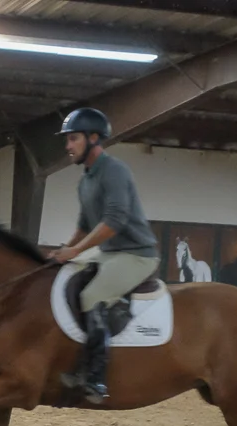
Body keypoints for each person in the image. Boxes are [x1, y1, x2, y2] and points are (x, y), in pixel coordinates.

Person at [48, 106, 159, 404]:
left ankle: (96, 377)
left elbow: (115, 221)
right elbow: (85, 226)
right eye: (67, 140)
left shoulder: (115, 170)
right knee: (65, 275)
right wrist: (65, 250)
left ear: (93, 138)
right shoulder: (85, 180)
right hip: (110, 254)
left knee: (92, 297)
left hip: (137, 254)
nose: (68, 146)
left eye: (73, 139)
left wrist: (76, 250)